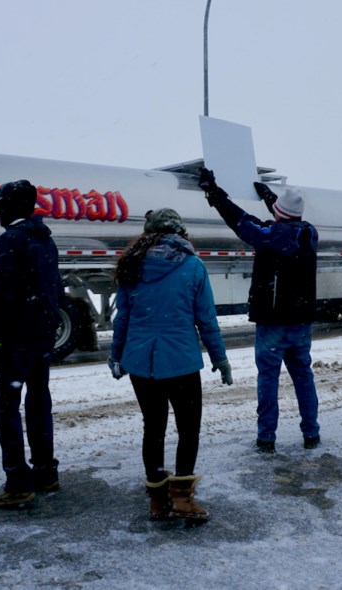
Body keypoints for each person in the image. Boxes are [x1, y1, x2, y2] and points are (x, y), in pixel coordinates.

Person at [109, 208, 231, 522]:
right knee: (188, 429)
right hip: (181, 362)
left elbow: (122, 316)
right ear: (180, 233)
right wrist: (220, 358)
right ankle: (183, 499)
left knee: (154, 429)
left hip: (140, 362)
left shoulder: (132, 264)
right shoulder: (193, 266)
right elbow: (206, 320)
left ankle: (157, 501)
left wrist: (117, 354)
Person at [197, 167, 320, 453]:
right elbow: (285, 222)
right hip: (302, 322)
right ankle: (311, 434)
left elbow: (241, 222)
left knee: (268, 379)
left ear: (279, 214)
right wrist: (269, 196)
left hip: (273, 322)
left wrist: (214, 194)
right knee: (303, 377)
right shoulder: (310, 233)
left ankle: (267, 438)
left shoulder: (271, 235)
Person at [0, 179, 62, 509]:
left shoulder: (11, 239)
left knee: (6, 407)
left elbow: (3, 297)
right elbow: (52, 287)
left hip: (17, 340)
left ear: (10, 207)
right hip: (40, 337)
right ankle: (45, 473)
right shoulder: (45, 238)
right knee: (39, 402)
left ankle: (17, 483)